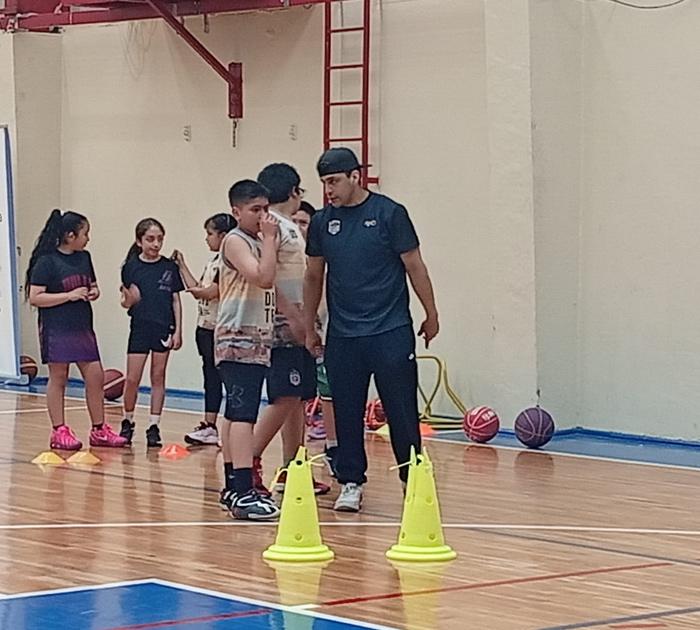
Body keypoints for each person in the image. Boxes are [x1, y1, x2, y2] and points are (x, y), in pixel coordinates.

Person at [303, 147, 440, 512]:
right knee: (346, 410)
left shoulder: (390, 214)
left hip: (390, 330)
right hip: (343, 335)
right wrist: (309, 325)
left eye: (334, 181)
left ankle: (412, 479)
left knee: (401, 410)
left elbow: (415, 266)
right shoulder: (321, 222)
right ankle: (351, 482)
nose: (328, 190)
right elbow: (313, 275)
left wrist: (431, 313)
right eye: (324, 183)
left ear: (355, 176)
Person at [252, 164, 329, 496]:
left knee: (297, 398)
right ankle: (246, 463)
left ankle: (292, 468)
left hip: (300, 324)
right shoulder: (273, 228)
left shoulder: (288, 227)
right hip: (282, 327)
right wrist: (296, 319)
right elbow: (269, 280)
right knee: (285, 397)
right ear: (294, 191)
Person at [25, 209, 128, 450]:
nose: (88, 238)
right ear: (70, 236)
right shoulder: (47, 262)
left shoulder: (84, 258)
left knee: (95, 376)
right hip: (56, 327)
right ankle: (59, 430)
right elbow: (35, 297)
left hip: (82, 326)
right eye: (85, 234)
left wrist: (94, 292)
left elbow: (93, 285)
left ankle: (99, 429)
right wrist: (68, 296)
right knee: (59, 377)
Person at [216, 179, 280, 520]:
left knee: (234, 413)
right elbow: (263, 277)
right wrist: (270, 239)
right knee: (243, 414)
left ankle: (232, 485)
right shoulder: (235, 241)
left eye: (266, 209)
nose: (263, 216)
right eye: (256, 210)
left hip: (255, 338)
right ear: (236, 211)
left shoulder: (255, 240)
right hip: (238, 337)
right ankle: (243, 490)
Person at [119, 218, 184, 447]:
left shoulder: (169, 267)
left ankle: (154, 426)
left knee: (158, 376)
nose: (156, 244)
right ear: (139, 241)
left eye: (159, 239)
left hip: (163, 327)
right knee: (132, 378)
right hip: (140, 327)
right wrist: (130, 300)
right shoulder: (130, 267)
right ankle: (127, 421)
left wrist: (178, 330)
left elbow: (175, 300)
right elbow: (125, 301)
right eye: (150, 239)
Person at [173, 213, 236, 446]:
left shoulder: (228, 263)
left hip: (222, 329)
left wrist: (197, 291)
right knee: (210, 376)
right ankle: (209, 426)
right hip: (205, 327)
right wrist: (181, 266)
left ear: (223, 235)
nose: (206, 238)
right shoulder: (212, 262)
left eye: (210, 234)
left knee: (227, 378)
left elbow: (211, 292)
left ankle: (232, 427)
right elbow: (199, 287)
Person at [292, 201, 338, 476]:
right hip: (292, 335)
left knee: (330, 393)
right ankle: (293, 461)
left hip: (324, 334)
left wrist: (313, 325)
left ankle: (334, 448)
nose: (298, 227)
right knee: (292, 398)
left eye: (303, 222)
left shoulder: (324, 255)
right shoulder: (286, 255)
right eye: (294, 221)